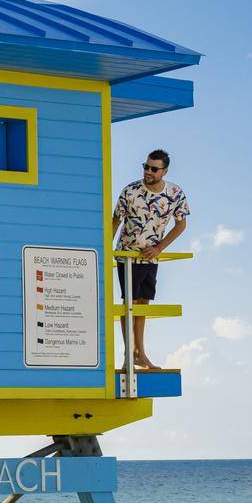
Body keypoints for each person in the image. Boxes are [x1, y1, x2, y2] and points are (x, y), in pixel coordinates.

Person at [110, 149, 189, 369]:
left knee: (143, 303)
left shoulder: (175, 193)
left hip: (151, 258)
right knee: (130, 303)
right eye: (146, 167)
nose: (148, 172)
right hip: (127, 255)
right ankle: (130, 354)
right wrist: (106, 248)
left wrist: (159, 248)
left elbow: (181, 224)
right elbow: (115, 221)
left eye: (154, 169)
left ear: (164, 171)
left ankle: (139, 352)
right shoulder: (131, 190)